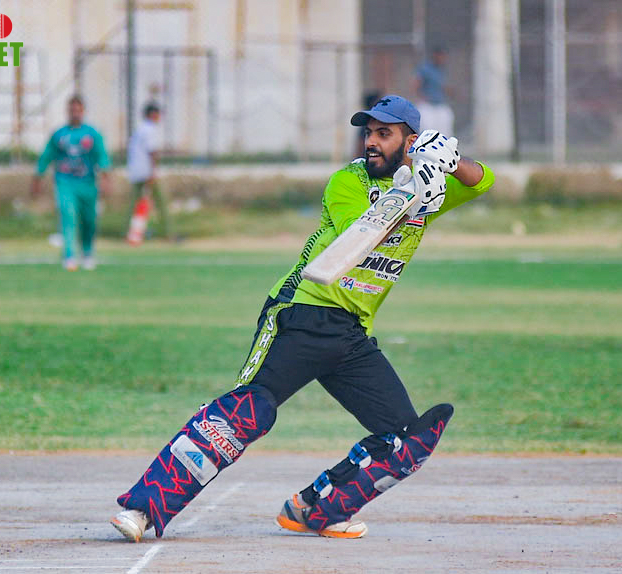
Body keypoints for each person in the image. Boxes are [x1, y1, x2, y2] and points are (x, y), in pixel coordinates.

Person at [110, 95, 494, 541]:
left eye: (383, 134)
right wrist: (413, 194)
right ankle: (142, 509)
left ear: (411, 142)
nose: (370, 142)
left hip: (352, 332)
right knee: (248, 411)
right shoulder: (348, 181)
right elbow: (361, 233)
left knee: (405, 439)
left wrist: (450, 162)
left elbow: (483, 181)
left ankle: (315, 509)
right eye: (368, 132)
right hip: (302, 313)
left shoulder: (430, 184)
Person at [31, 95, 112, 271]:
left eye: (78, 110)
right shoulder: (59, 134)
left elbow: (102, 157)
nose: (75, 113)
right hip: (65, 183)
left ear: (83, 111)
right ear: (67, 111)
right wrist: (38, 177)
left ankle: (87, 252)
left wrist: (106, 179)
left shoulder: (92, 134)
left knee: (89, 220)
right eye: (72, 109)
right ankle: (69, 255)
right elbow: (46, 157)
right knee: (68, 215)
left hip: (88, 183)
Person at [126, 102, 171, 240]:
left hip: (136, 170)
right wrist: (153, 172)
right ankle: (167, 232)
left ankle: (129, 231)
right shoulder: (150, 129)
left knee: (135, 203)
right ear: (152, 114)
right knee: (160, 201)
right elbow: (152, 152)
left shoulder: (140, 129)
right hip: (145, 171)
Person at [412, 46, 454, 135]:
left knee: (445, 126)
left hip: (440, 103)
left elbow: (444, 87)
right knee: (427, 128)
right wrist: (422, 97)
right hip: (427, 105)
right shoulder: (425, 68)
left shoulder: (443, 70)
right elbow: (416, 84)